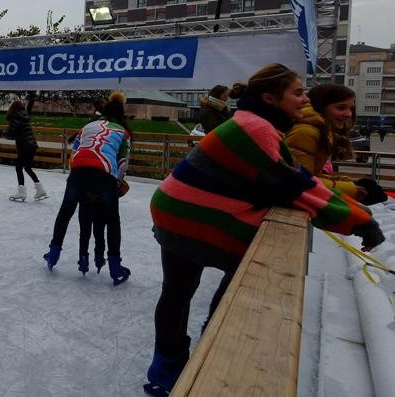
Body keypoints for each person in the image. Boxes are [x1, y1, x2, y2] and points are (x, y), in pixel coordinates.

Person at [142, 64, 386, 397]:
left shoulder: (259, 123)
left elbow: (298, 179)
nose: (305, 100)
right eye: (298, 93)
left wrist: (356, 210)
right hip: (187, 212)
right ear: (271, 98)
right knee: (208, 283)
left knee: (187, 288)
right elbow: (292, 185)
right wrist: (359, 221)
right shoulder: (256, 128)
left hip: (184, 207)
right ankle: (186, 360)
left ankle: (184, 358)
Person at [43, 91, 132, 286]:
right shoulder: (123, 132)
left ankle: (54, 252)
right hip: (105, 172)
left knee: (65, 212)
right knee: (112, 219)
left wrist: (77, 171)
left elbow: (74, 151)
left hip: (79, 170)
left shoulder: (87, 126)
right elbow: (123, 162)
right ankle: (115, 266)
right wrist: (117, 181)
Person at [286, 84, 388, 205]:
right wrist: (353, 190)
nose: (348, 114)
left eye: (351, 108)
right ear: (321, 107)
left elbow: (310, 175)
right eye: (341, 108)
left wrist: (352, 184)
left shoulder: (320, 131)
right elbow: (301, 183)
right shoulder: (306, 133)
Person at [4, 101, 47, 202]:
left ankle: (22, 192)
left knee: (19, 167)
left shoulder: (15, 118)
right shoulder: (25, 117)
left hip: (24, 146)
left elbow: (11, 134)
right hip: (32, 145)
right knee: (27, 167)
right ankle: (40, 189)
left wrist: (2, 133)